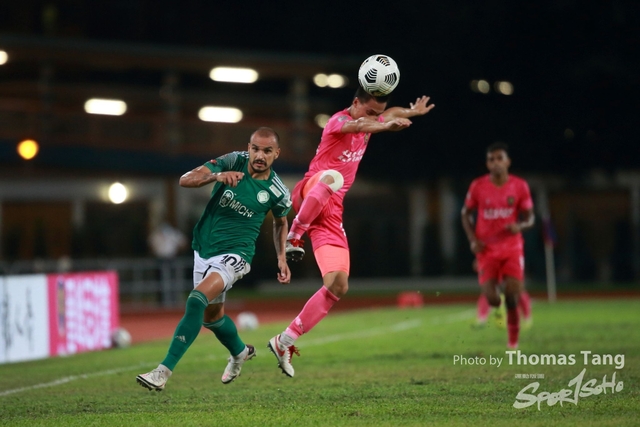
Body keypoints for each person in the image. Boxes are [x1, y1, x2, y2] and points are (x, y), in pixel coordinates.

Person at [267, 87, 435, 377]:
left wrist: (411, 112)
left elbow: (388, 114)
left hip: (330, 214)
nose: (373, 117)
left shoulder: (371, 120)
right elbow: (359, 125)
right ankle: (295, 235)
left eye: (376, 114)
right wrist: (383, 126)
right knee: (331, 177)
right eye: (369, 111)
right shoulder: (338, 121)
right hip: (310, 191)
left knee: (338, 285)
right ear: (355, 102)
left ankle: (284, 341)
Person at [136, 127, 292, 391]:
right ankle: (240, 352)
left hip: (236, 255)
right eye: (255, 149)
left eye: (267, 151)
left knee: (196, 299)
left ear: (276, 153)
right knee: (212, 318)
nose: (260, 155)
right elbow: (185, 180)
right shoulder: (233, 160)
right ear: (249, 147)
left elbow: (280, 222)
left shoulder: (278, 190)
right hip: (203, 248)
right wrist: (216, 176)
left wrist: (281, 256)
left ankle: (162, 372)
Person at [461, 142, 535, 349]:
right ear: (487, 164)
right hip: (486, 250)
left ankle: (513, 343)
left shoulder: (519, 186)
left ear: (508, 161)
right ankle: (497, 308)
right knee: (492, 299)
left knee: (512, 295)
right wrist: (473, 240)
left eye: (499, 158)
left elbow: (530, 218)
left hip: (512, 248)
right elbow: (465, 213)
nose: (495, 163)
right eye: (491, 159)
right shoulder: (478, 186)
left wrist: (520, 226)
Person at [472, 259, 532, 329]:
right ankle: (482, 318)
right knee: (488, 292)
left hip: (510, 265)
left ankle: (526, 317)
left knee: (518, 290)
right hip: (496, 267)